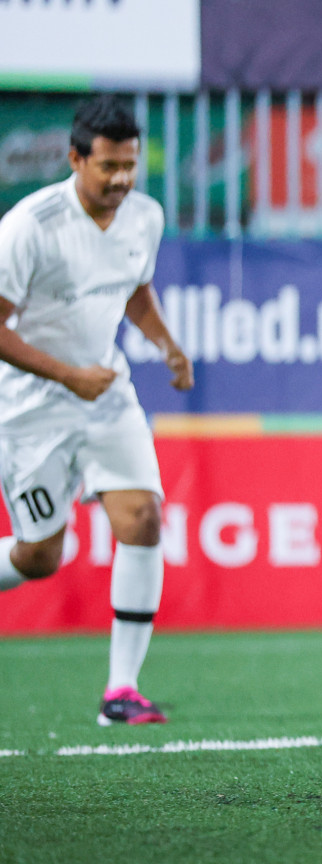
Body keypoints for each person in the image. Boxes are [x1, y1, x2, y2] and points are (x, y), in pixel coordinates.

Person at [0, 95, 193, 724]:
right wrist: (67, 376)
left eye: (130, 165)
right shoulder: (30, 225)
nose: (120, 179)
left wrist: (165, 344)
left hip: (106, 391)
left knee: (142, 517)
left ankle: (121, 691)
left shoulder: (145, 217)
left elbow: (134, 290)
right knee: (38, 557)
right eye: (108, 165)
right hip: (31, 406)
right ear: (75, 158)